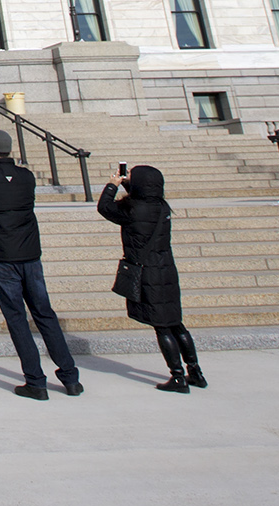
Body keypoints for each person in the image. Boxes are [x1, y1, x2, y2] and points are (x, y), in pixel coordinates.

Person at [0, 129, 83, 400]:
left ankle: (35, 381)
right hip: (30, 255)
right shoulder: (26, 177)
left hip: (1, 257)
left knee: (17, 318)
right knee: (45, 313)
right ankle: (70, 377)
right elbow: (6, 180)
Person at [98, 164, 204, 392]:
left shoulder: (132, 209)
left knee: (162, 327)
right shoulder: (162, 207)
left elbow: (105, 208)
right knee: (176, 323)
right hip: (167, 270)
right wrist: (129, 184)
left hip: (147, 272)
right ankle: (195, 372)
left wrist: (112, 185)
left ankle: (177, 377)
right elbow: (144, 195)